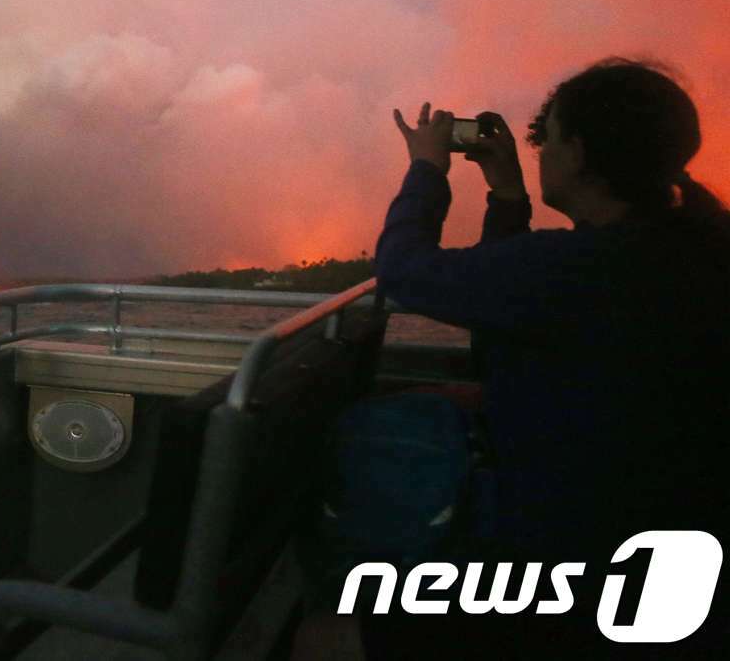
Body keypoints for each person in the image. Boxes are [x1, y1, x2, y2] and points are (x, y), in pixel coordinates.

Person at [293, 58, 730, 659]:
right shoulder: (687, 252)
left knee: (324, 637)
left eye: (546, 138)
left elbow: (402, 270)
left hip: (587, 576)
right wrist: (506, 192)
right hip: (672, 548)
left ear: (576, 152)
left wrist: (426, 167)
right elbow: (511, 317)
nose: (541, 152)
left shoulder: (578, 268)